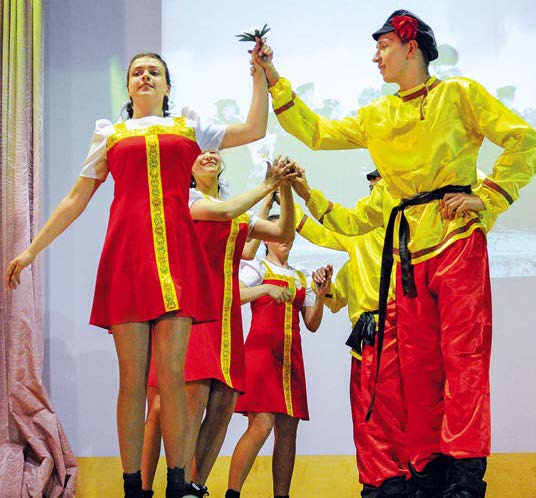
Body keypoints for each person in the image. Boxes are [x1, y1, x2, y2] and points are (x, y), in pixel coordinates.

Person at [254, 10, 536, 497]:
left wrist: (488, 197)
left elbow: (523, 140)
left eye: (383, 45)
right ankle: (426, 470)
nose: (375, 56)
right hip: (409, 256)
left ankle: (464, 473)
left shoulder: (459, 94)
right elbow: (317, 131)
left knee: (464, 360)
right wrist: (273, 75)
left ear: (411, 47)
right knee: (419, 370)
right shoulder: (377, 115)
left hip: (455, 240)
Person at [5, 46, 271, 498]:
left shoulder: (189, 127)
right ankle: (133, 487)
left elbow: (254, 129)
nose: (145, 77)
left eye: (154, 72)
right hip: (128, 259)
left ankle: (177, 483)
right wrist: (32, 250)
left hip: (177, 261)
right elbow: (75, 198)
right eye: (136, 73)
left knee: (172, 379)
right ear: (128, 87)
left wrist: (260, 76)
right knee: (131, 381)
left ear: (167, 86)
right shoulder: (109, 135)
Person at [141, 153, 296, 497]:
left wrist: (285, 188)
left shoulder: (234, 208)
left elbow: (282, 230)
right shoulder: (186, 199)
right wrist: (268, 184)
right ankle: (173, 483)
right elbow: (225, 213)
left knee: (224, 401)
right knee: (192, 396)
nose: (210, 154)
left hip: (226, 318)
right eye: (201, 151)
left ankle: (195, 485)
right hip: (192, 310)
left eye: (215, 151)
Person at [295, 170, 408, 497]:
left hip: (397, 332)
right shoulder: (363, 238)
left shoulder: (404, 230)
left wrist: (294, 197)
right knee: (367, 413)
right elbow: (337, 295)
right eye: (372, 188)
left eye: (380, 187)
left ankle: (396, 478)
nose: (375, 193)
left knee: (388, 412)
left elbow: (325, 233)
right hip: (368, 337)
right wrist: (322, 287)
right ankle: (380, 481)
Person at [226, 220, 331, 498]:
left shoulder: (300, 276)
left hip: (290, 358)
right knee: (261, 424)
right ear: (266, 238)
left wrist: (320, 295)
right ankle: (232, 493)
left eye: (289, 234)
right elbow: (234, 294)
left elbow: (312, 323)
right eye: (279, 233)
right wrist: (265, 289)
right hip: (261, 356)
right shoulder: (258, 268)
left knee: (288, 429)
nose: (286, 238)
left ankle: (281, 495)